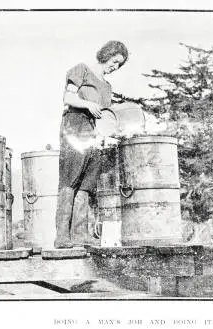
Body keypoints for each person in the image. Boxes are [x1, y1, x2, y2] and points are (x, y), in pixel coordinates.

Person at [54, 40, 129, 249]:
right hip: (75, 126)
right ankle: (61, 237)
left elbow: (107, 116)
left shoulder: (107, 86)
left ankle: (80, 234)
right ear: (106, 54)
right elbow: (67, 97)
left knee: (87, 183)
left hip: (96, 134)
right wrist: (88, 104)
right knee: (71, 179)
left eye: (119, 65)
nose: (115, 66)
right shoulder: (81, 70)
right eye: (114, 61)